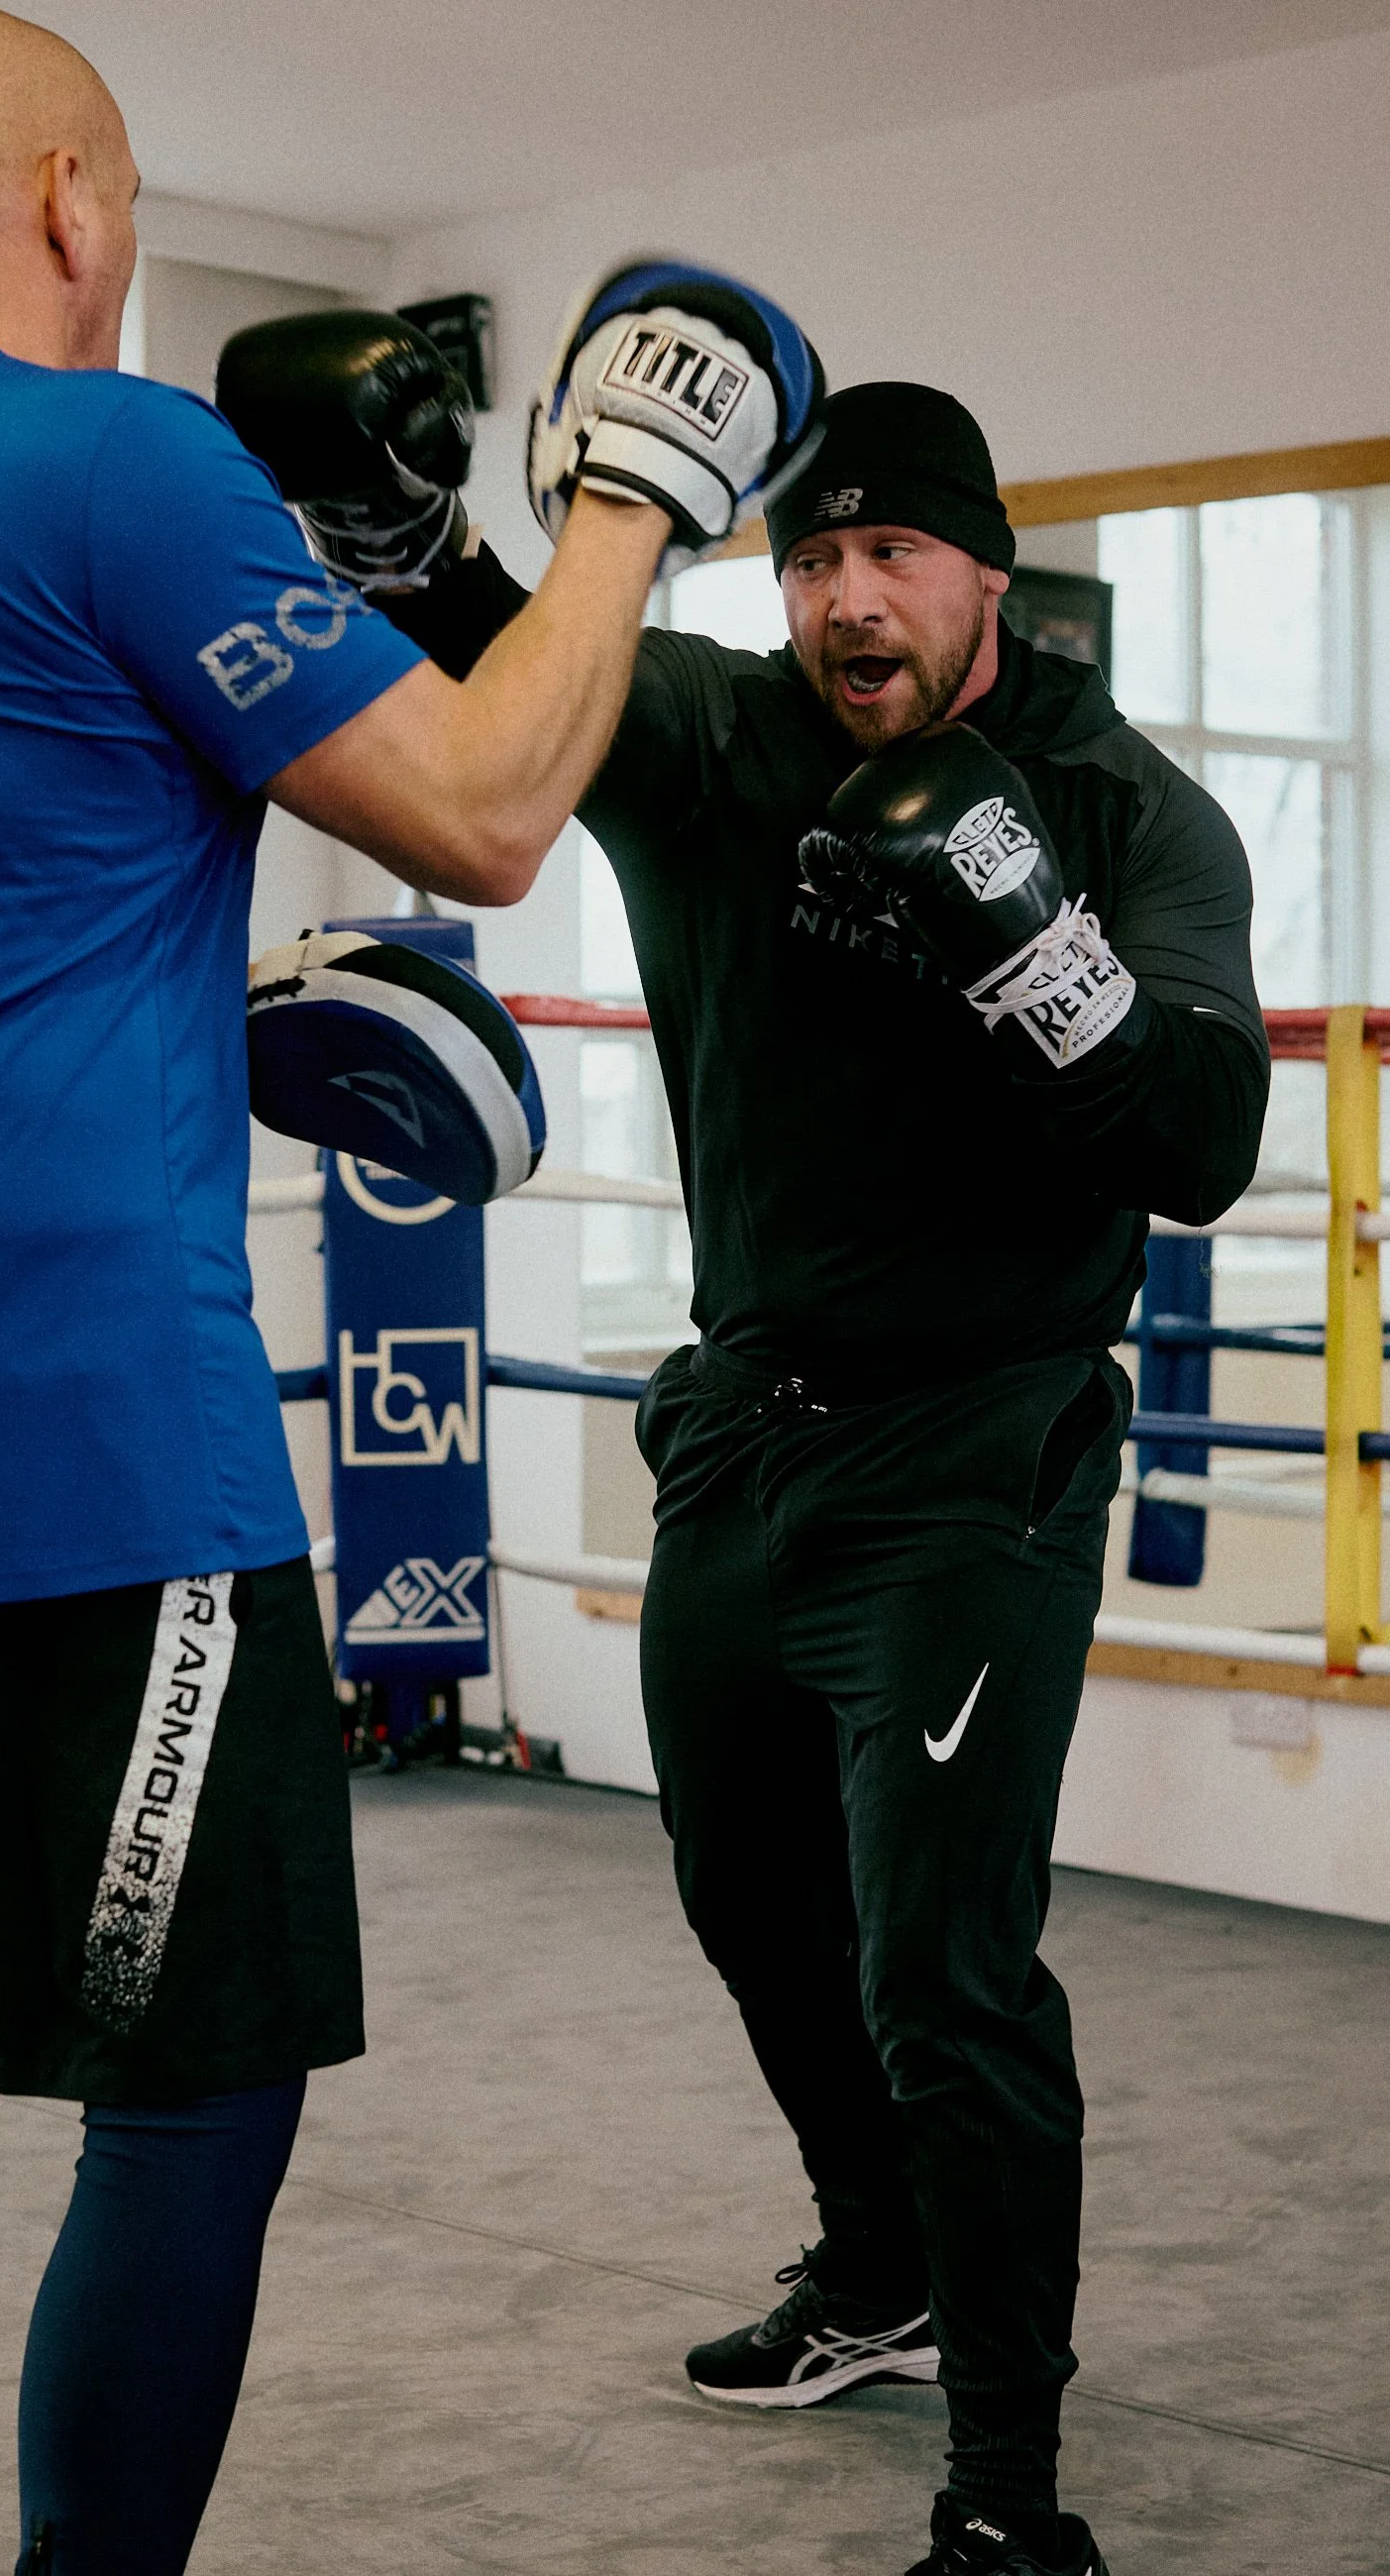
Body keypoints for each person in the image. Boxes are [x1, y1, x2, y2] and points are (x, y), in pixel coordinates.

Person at [0, 8, 818, 2569]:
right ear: (69, 197)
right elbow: (497, 810)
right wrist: (626, 505)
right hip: (88, 1442)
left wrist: (207, 1019)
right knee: (196, 2087)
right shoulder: (114, 462)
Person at [225, 346, 1268, 2575]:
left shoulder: (1124, 811)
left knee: (943, 1967)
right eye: (806, 557)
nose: (843, 602)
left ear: (983, 569)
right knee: (746, 1897)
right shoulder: (721, 738)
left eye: (890, 551)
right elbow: (520, 674)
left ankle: (1009, 2494)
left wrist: (1034, 953)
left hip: (977, 1448)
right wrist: (389, 522)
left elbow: (1200, 1141)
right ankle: (873, 2260)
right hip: (747, 1430)